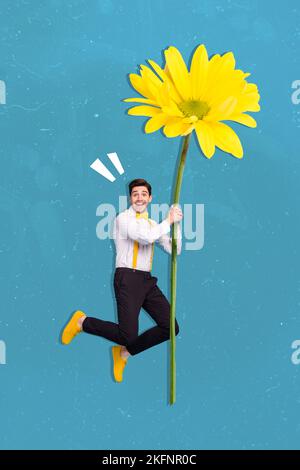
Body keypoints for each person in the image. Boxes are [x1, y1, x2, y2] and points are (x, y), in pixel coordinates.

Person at [61, 178, 183, 382]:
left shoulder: (154, 224)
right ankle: (83, 322)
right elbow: (145, 237)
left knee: (171, 327)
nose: (140, 198)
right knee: (128, 335)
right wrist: (168, 221)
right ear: (130, 197)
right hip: (127, 278)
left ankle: (124, 354)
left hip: (146, 281)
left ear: (150, 198)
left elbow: (175, 250)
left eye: (144, 194)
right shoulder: (123, 219)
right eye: (135, 194)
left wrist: (176, 225)